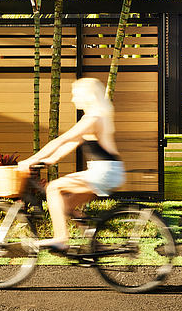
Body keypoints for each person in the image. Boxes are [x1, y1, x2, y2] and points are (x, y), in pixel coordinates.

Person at [17, 77, 125, 250]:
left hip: (103, 172)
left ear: (87, 96)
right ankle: (94, 244)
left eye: (76, 95)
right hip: (110, 171)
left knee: (53, 188)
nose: (73, 99)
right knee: (66, 206)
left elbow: (61, 140)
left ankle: (60, 238)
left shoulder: (92, 118)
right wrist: (48, 160)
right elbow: (69, 145)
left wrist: (31, 160)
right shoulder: (97, 117)